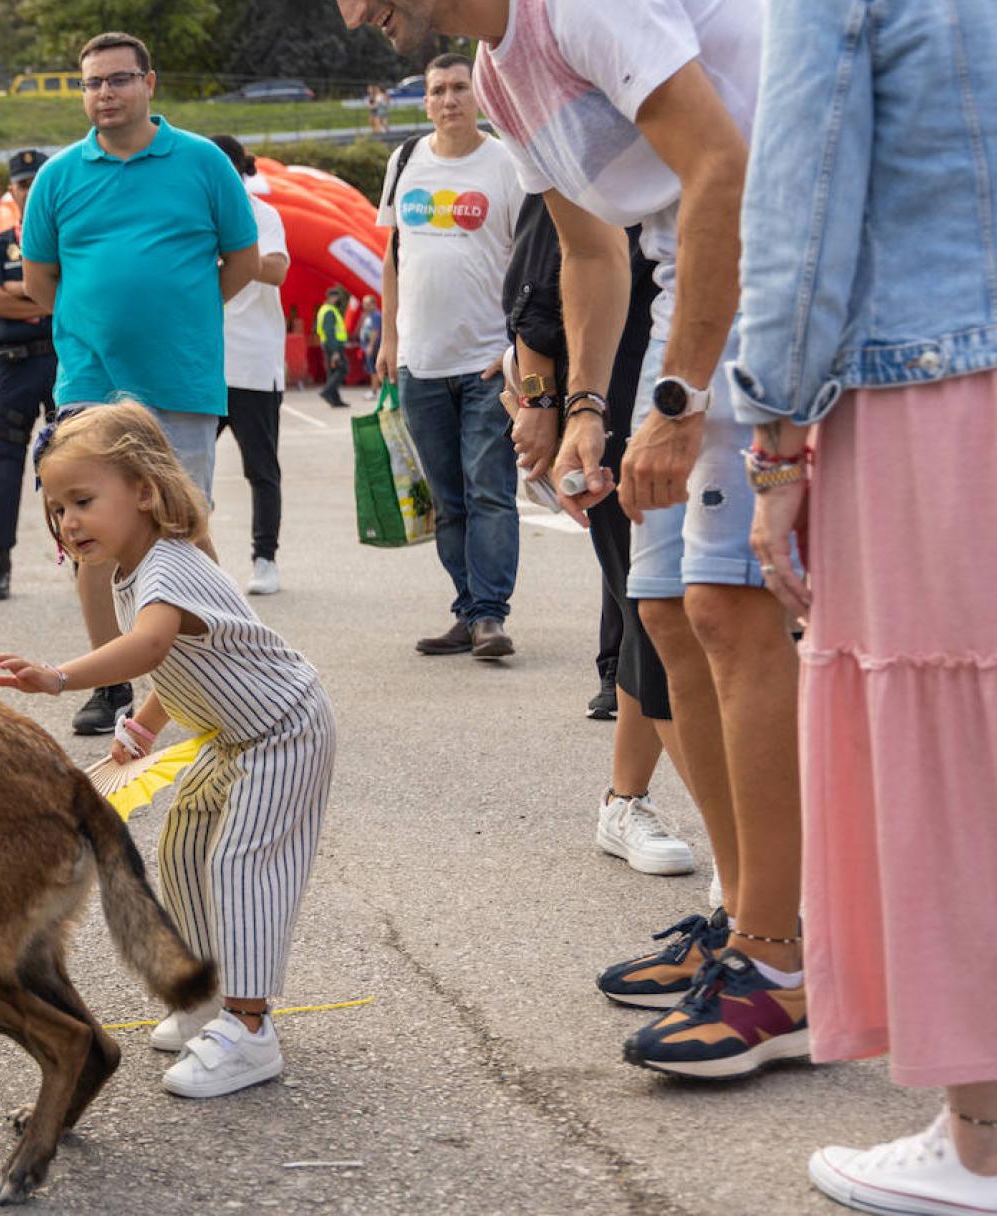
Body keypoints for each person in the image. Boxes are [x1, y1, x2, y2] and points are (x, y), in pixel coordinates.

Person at [342, 0, 810, 1078]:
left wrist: (683, 393)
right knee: (662, 613)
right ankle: (746, 921)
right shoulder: (501, 74)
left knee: (729, 611)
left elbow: (724, 168)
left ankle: (783, 971)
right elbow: (591, 248)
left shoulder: (580, 6)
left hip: (768, 264)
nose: (357, 16)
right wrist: (589, 407)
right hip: (677, 283)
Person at [730, 1, 997, 1209]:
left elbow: (806, 191)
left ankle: (983, 1137)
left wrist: (776, 439)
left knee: (954, 762)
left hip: (940, 386)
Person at [0, 403, 335, 1100]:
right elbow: (180, 665)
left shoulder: (167, 566)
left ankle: (250, 1028)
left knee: (243, 862)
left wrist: (59, 677)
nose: (69, 523)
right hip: (235, 736)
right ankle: (208, 998)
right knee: (179, 852)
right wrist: (144, 724)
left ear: (144, 491)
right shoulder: (135, 569)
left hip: (283, 732)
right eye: (57, 510)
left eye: (83, 501)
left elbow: (147, 648)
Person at [19, 30, 259, 735]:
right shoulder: (58, 177)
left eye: (119, 80)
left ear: (149, 83)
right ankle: (113, 684)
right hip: (89, 385)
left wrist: (182, 314)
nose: (105, 94)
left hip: (180, 381)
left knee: (184, 528)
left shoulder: (203, 162)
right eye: (93, 83)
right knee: (90, 534)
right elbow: (39, 283)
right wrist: (100, 322)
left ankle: (230, 669)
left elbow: (241, 261)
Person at [500, 195, 698, 878]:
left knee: (654, 618)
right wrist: (537, 405)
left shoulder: (706, 123)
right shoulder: (580, 143)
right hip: (617, 416)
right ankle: (746, 865)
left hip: (702, 401)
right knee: (659, 615)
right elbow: (532, 310)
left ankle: (625, 799)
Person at [374, 52, 524, 661]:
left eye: (460, 88)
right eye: (437, 90)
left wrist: (518, 348)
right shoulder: (405, 160)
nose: (448, 100)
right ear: (426, 99)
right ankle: (466, 609)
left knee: (490, 490)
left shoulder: (507, 162)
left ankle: (490, 615)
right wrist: (389, 339)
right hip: (421, 362)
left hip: (488, 361)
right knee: (448, 497)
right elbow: (392, 255)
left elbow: (537, 258)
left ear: (481, 95)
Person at [209, 135, 292, 596]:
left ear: (239, 171)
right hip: (200, 363)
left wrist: (234, 250)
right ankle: (190, 559)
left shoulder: (262, 214)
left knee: (261, 468)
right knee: (184, 469)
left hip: (253, 362)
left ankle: (265, 558)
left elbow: (277, 269)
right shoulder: (189, 215)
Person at [0, 147, 57, 602]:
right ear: (12, 190)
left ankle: (82, 558)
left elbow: (74, 296)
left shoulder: (68, 236)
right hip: (12, 363)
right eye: (22, 183)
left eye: (36, 180)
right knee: (4, 464)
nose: (29, 189)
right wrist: (45, 297)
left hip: (62, 359)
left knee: (72, 464)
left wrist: (17, 290)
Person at [315, 286, 351, 407]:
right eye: (336, 297)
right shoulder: (329, 311)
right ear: (332, 297)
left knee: (333, 371)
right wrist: (335, 351)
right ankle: (327, 391)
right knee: (342, 369)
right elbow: (329, 331)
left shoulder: (325, 309)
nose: (337, 299)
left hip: (329, 344)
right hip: (333, 345)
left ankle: (335, 400)